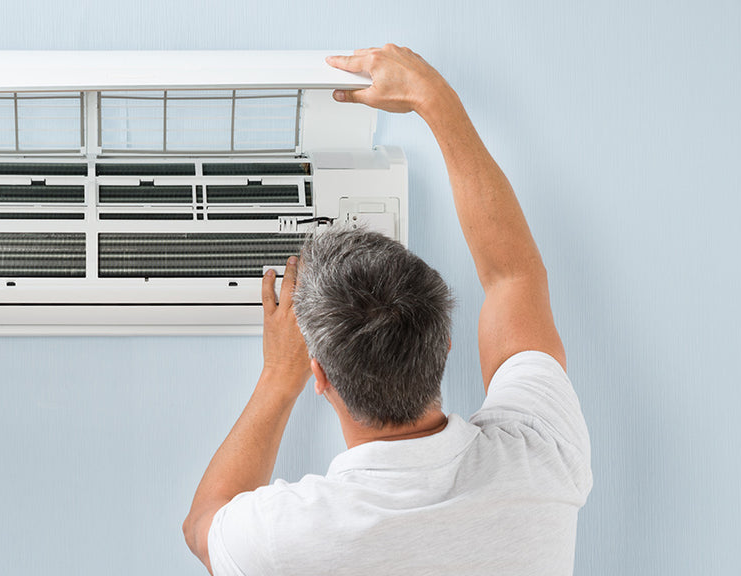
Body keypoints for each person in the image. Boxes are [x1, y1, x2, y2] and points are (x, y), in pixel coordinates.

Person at [182, 45, 592, 576]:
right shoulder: (542, 458)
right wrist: (434, 100)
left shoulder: (287, 538)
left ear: (321, 377)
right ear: (444, 341)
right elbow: (513, 275)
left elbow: (203, 527)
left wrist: (277, 377)